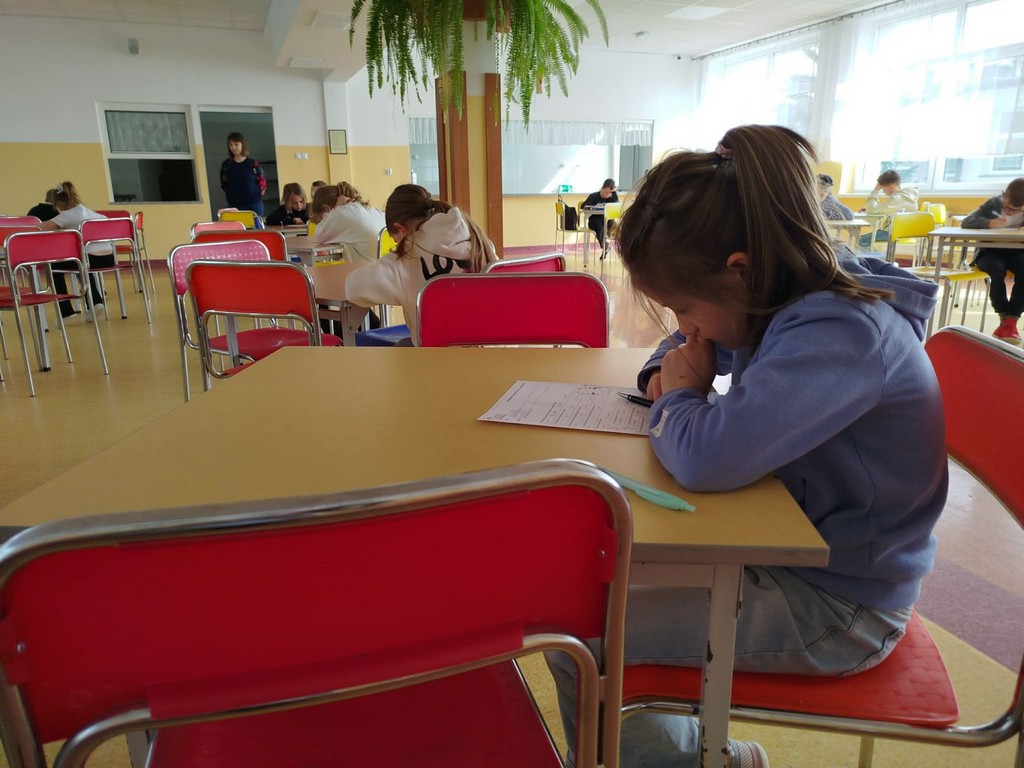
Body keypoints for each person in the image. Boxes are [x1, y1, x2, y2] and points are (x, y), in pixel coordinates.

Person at [547, 125, 947, 768]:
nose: (684, 326)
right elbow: (683, 350)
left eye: (683, 307)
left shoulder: (839, 331)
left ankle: (692, 761)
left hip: (841, 607)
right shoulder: (781, 294)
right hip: (787, 555)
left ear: (740, 270)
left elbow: (707, 459)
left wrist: (678, 399)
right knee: (587, 580)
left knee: (579, 633)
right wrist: (665, 376)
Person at [344, 184, 496, 345]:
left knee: (401, 348)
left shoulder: (407, 260)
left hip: (437, 354)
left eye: (395, 239)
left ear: (400, 228)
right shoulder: (481, 244)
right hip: (493, 349)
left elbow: (353, 289)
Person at [960, 177, 1024, 346]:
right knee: (994, 270)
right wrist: (989, 223)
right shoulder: (993, 203)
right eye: (1008, 207)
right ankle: (1005, 318)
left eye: (1017, 210)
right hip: (990, 251)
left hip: (1017, 252)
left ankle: (1011, 320)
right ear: (1004, 195)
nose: (1011, 211)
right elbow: (966, 221)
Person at [39, 181, 113, 321]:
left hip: (90, 259)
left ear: (58, 205)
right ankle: (95, 302)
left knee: (53, 266)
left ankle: (66, 311)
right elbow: (110, 223)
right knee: (81, 263)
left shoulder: (67, 215)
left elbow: (39, 228)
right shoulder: (90, 212)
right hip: (108, 258)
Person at [309, 182, 386, 263]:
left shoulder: (340, 213)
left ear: (326, 208)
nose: (323, 222)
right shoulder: (370, 209)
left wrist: (335, 210)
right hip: (384, 266)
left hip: (366, 267)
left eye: (321, 220)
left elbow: (319, 236)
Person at [860, 169, 918, 247]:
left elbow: (872, 210)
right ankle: (875, 254)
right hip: (905, 231)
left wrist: (875, 190)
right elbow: (881, 209)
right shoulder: (908, 197)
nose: (884, 192)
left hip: (894, 232)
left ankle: (874, 255)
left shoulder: (897, 199)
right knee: (868, 239)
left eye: (883, 189)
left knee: (861, 240)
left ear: (891, 187)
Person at [219, 132, 266, 217]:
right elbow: (224, 183)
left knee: (254, 225)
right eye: (231, 145)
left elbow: (262, 182)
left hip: (253, 204)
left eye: (236, 144)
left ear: (242, 144)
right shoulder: (226, 165)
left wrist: (258, 193)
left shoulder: (253, 164)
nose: (233, 147)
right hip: (234, 205)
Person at [581, 178, 618, 251]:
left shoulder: (611, 197)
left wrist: (614, 193)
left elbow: (616, 206)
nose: (607, 194)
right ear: (602, 188)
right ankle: (605, 245)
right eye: (605, 192)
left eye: (609, 193)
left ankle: (607, 244)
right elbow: (583, 206)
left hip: (606, 221)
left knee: (615, 224)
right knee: (599, 227)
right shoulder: (594, 196)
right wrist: (593, 207)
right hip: (594, 221)